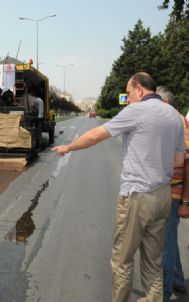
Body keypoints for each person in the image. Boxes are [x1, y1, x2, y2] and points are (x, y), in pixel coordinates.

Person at [52, 72, 185, 302]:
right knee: (153, 263)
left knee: (122, 260)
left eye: (129, 92)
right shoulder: (174, 115)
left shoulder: (135, 112)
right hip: (163, 197)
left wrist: (69, 147)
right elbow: (179, 162)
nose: (128, 97)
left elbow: (95, 136)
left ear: (140, 89)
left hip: (136, 197)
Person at [156, 86, 188, 301]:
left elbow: (187, 164)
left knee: (164, 245)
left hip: (173, 194)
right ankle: (177, 280)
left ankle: (164, 295)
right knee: (169, 240)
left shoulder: (177, 123)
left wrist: (185, 200)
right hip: (167, 192)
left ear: (165, 104)